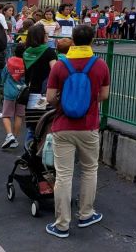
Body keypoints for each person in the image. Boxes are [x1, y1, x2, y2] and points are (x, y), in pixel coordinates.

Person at [44, 24, 110, 238]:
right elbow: (104, 95)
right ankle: (86, 213)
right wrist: (87, 101)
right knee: (90, 169)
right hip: (89, 125)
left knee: (63, 175)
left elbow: (50, 98)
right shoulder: (100, 65)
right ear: (92, 40)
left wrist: (65, 102)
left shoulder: (60, 66)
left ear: (72, 39)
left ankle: (62, 223)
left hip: (63, 126)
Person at [0, 44, 26, 149]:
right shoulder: (27, 63)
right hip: (23, 93)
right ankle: (14, 139)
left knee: (6, 115)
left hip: (9, 92)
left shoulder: (9, 63)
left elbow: (3, 76)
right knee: (19, 116)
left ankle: (9, 135)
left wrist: (3, 83)